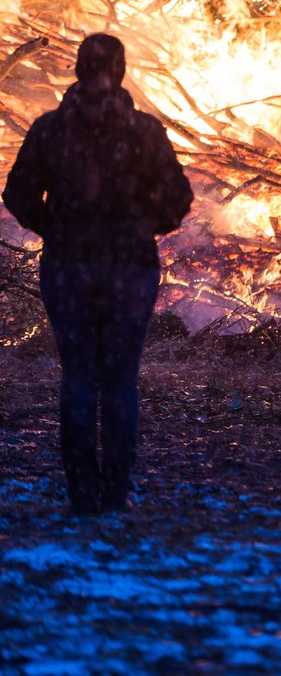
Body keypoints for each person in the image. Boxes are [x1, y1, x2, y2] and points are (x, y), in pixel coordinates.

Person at [3, 34, 192, 515]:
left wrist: (55, 231)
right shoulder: (144, 132)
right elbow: (178, 198)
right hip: (129, 270)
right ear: (122, 71)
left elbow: (18, 194)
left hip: (69, 270)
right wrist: (143, 230)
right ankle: (115, 495)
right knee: (121, 380)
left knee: (80, 377)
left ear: (78, 70)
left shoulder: (50, 130)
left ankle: (83, 497)